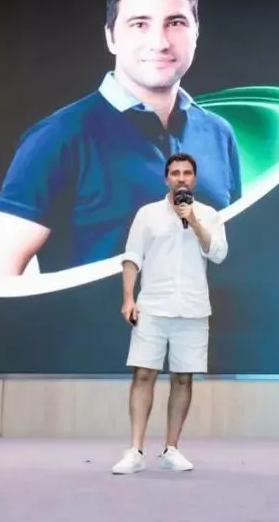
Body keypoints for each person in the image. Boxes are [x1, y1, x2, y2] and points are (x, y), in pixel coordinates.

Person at [0, 0, 242, 276]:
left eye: (175, 23)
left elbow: (232, 256)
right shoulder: (58, 138)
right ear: (111, 37)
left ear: (196, 32)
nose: (159, 42)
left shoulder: (219, 133)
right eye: (140, 24)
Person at [111, 152, 228, 474]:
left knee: (183, 378)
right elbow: (132, 257)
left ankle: (171, 448)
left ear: (194, 179)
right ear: (166, 179)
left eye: (187, 173)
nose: (181, 178)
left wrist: (194, 222)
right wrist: (128, 299)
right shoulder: (147, 214)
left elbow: (218, 254)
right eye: (175, 173)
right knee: (143, 374)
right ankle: (135, 450)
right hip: (152, 305)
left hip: (192, 307)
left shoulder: (208, 215)